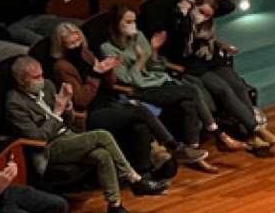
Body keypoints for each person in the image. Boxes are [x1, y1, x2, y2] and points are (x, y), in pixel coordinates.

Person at [5, 56, 166, 213]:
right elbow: (37, 137)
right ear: (22, 80)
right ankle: (135, 180)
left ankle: (115, 207)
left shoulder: (49, 86)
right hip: (48, 148)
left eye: (41, 75)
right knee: (102, 136)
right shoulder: (15, 103)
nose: (41, 80)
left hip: (68, 135)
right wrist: (57, 112)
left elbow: (70, 121)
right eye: (36, 78)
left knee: (102, 155)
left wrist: (68, 106)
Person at [51, 22, 202, 173]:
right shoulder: (62, 67)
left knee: (140, 127)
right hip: (91, 113)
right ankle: (175, 146)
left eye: (78, 41)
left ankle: (144, 173)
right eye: (71, 43)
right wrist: (96, 75)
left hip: (109, 102)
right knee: (139, 111)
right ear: (62, 46)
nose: (77, 46)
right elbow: (81, 100)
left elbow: (110, 84)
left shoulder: (86, 54)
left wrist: (108, 70)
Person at [103, 3, 237, 159]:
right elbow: (127, 79)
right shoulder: (107, 49)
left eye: (134, 21)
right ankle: (219, 135)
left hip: (155, 81)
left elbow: (153, 65)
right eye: (127, 22)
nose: (132, 26)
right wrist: (139, 61)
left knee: (188, 104)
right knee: (191, 91)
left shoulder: (138, 36)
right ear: (116, 23)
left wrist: (153, 50)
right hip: (139, 90)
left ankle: (193, 151)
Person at [165, 0, 273, 152]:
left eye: (209, 15)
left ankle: (250, 133)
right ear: (194, 7)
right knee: (223, 90)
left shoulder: (207, 24)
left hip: (212, 59)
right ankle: (254, 129)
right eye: (201, 12)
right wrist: (185, 10)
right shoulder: (181, 21)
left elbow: (229, 6)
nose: (204, 18)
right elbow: (181, 34)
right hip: (193, 66)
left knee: (239, 87)